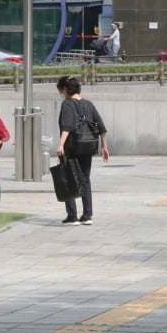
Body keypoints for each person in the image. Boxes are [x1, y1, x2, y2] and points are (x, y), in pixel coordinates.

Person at [56, 75, 110, 225]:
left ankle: (72, 215)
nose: (61, 93)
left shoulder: (67, 104)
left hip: (71, 146)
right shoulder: (89, 104)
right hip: (87, 146)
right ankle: (87, 215)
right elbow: (102, 127)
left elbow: (67, 126)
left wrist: (60, 144)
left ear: (65, 89)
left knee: (69, 179)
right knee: (85, 179)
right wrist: (104, 146)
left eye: (61, 90)